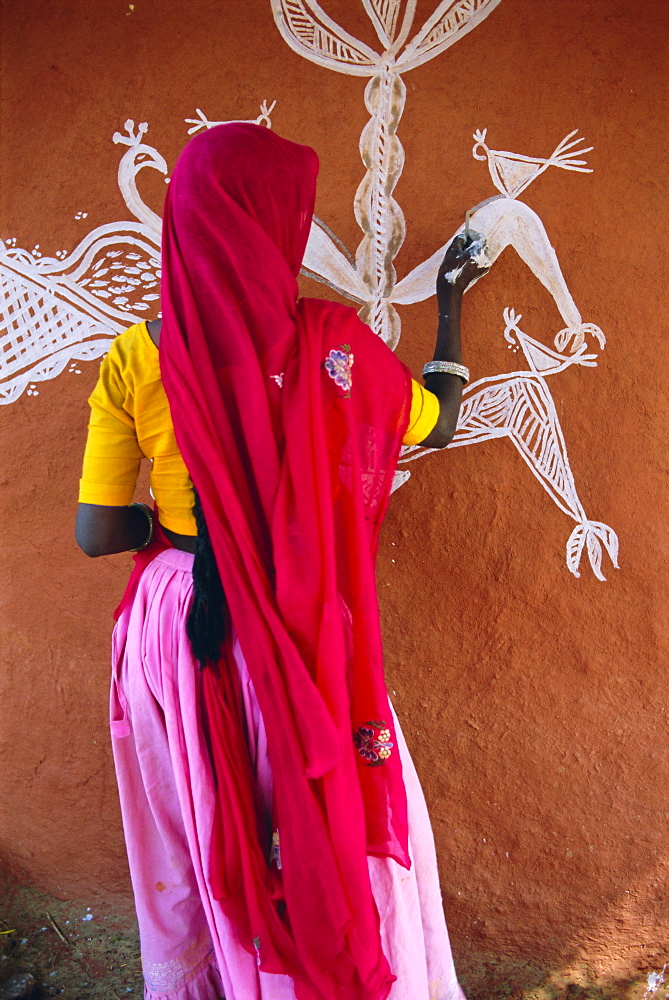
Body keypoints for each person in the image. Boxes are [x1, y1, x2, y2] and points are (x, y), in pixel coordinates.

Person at [76, 123, 490, 1000]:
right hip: (296, 626)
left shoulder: (135, 358)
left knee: (205, 819)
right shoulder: (331, 345)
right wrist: (450, 308)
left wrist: (176, 523)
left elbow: (96, 532)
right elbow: (435, 422)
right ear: (275, 225)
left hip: (176, 631)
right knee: (322, 811)